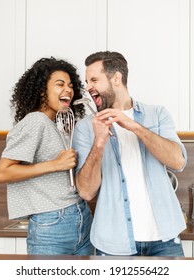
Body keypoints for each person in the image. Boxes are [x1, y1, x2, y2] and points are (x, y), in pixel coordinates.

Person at [72, 51, 187, 256]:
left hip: (165, 239)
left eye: (94, 80)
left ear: (116, 78)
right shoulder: (85, 127)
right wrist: (98, 143)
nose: (88, 87)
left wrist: (135, 127)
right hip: (114, 242)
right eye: (87, 81)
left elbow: (178, 161)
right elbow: (86, 192)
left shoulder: (157, 114)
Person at [0, 57, 93, 255]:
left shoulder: (57, 124)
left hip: (81, 216)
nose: (69, 89)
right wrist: (56, 164)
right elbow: (2, 172)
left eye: (71, 85)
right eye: (60, 84)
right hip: (52, 222)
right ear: (42, 91)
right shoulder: (35, 121)